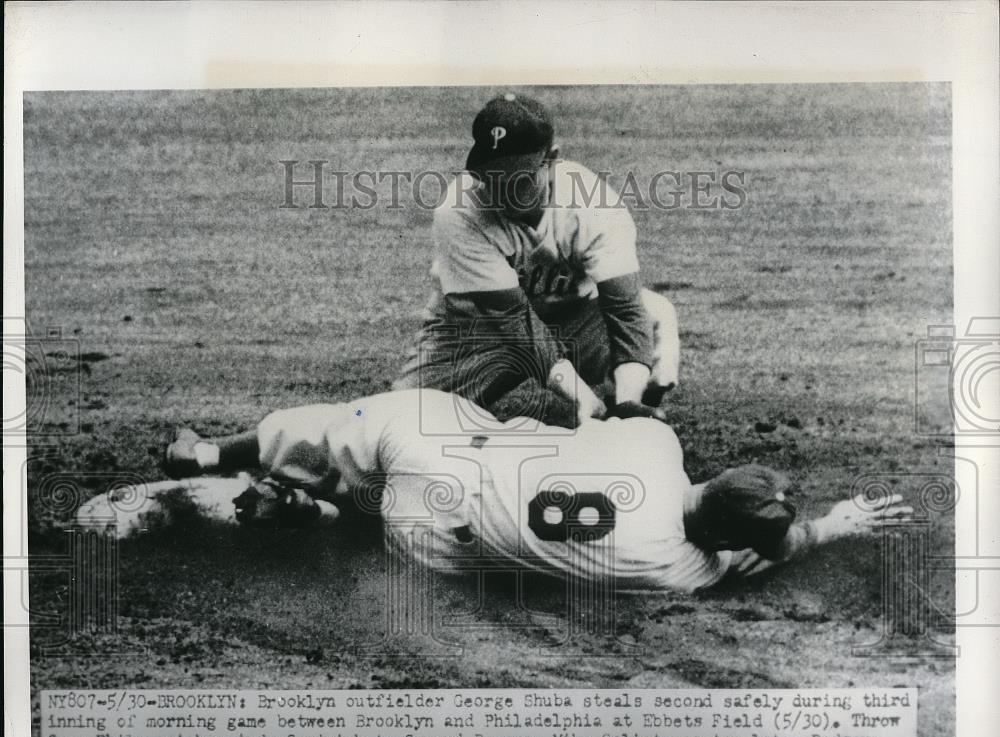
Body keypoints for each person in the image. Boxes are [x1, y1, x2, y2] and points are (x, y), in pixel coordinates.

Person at [165, 389, 911, 592]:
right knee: (397, 527)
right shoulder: (682, 572)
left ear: (713, 479)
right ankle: (327, 517)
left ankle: (208, 455)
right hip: (431, 543)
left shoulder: (656, 446)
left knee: (336, 427)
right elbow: (776, 550)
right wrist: (838, 523)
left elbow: (620, 415)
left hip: (436, 444)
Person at [392, 93, 680, 427]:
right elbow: (513, 320)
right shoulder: (459, 209)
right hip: (475, 333)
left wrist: (626, 407)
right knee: (401, 421)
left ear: (552, 159)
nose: (504, 191)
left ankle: (633, 415)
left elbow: (625, 309)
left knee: (655, 315)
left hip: (574, 323)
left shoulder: (591, 201)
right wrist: (583, 400)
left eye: (520, 179)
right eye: (493, 177)